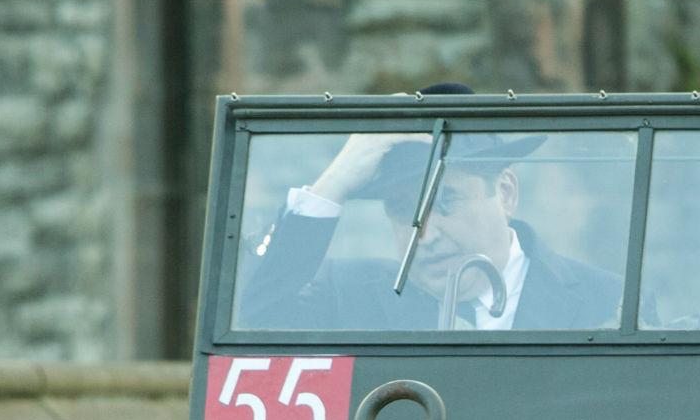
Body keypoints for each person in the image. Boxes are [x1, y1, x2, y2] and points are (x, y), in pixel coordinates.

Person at [238, 85, 620, 332]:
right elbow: (254, 318)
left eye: (446, 201)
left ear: (504, 192)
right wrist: (334, 183)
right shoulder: (349, 297)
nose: (427, 233)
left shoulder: (606, 302)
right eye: (404, 210)